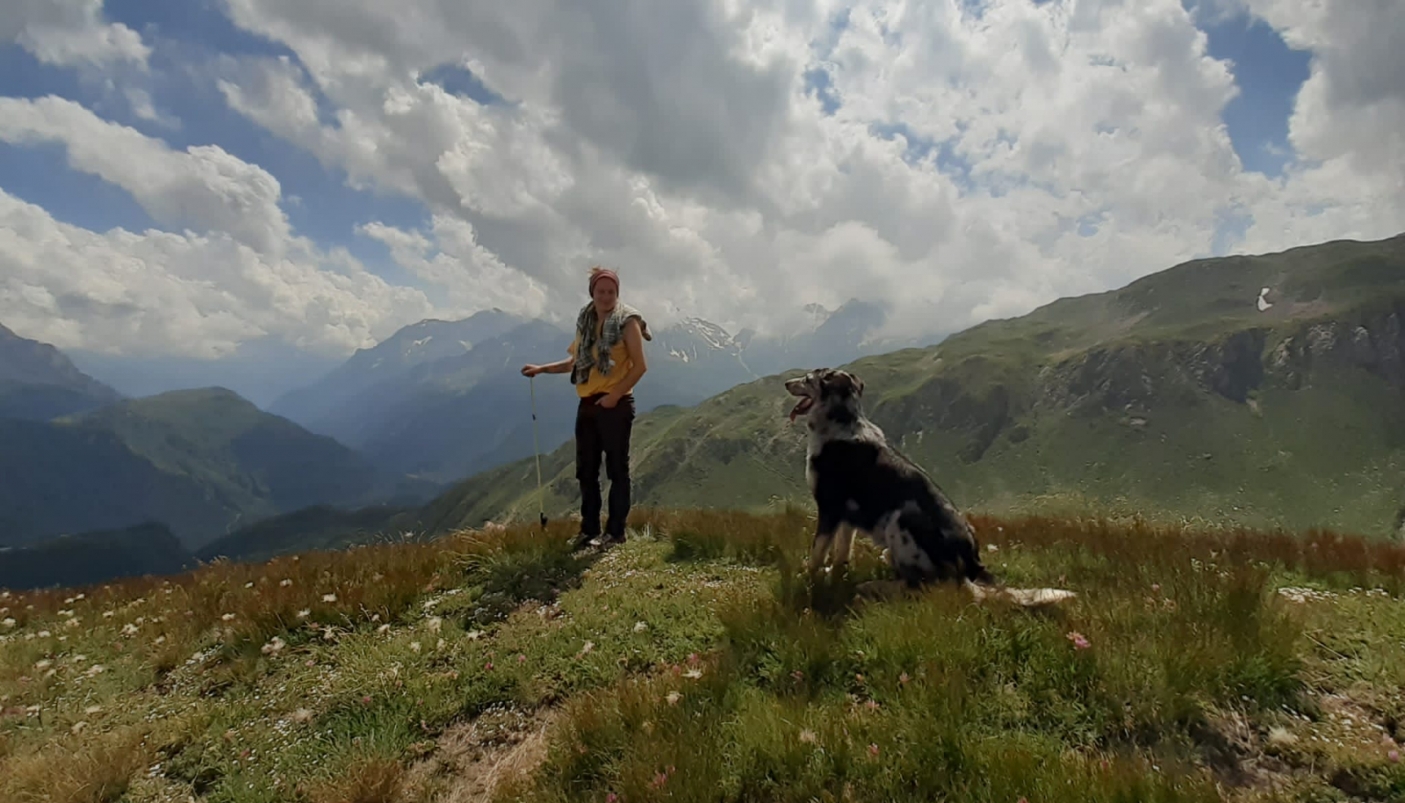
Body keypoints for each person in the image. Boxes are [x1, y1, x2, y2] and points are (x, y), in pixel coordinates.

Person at [522, 266, 650, 550]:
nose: (606, 296)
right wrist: (541, 369)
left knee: (617, 470)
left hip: (616, 405)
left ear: (617, 293)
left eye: (611, 292)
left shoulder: (628, 322)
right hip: (588, 404)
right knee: (586, 470)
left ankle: (615, 532)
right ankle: (589, 530)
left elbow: (640, 366)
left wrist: (614, 396)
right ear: (592, 292)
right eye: (601, 291)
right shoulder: (586, 322)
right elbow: (574, 363)